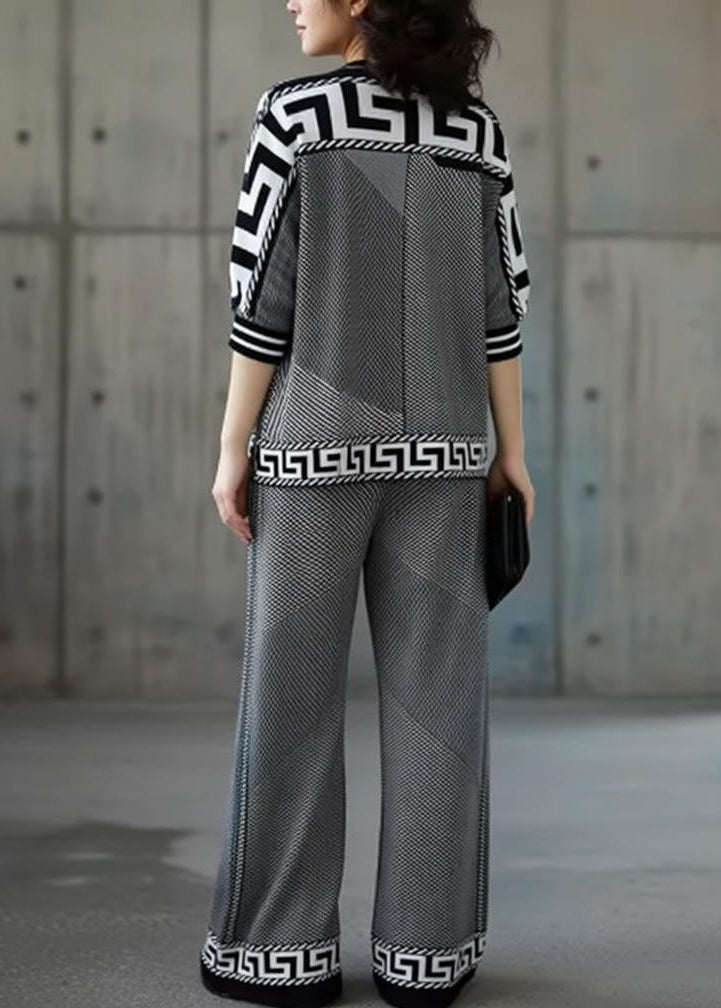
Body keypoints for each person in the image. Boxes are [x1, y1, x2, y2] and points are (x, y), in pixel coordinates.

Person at [200, 1, 535, 1006]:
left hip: (312, 453)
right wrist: (510, 453)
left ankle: (278, 956)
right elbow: (502, 307)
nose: (289, 2)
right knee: (440, 709)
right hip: (447, 456)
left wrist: (232, 447)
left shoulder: (294, 117)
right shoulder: (475, 131)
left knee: (290, 705)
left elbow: (261, 299)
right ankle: (425, 959)